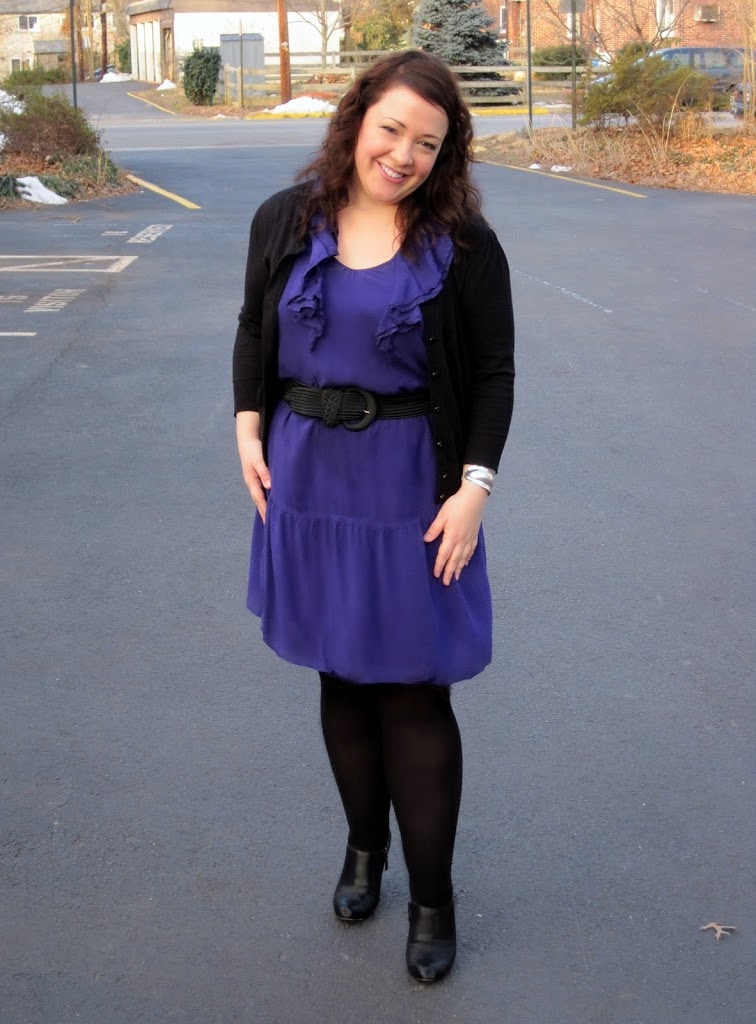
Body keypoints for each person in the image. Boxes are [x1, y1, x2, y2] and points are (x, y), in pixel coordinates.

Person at [233, 49, 515, 983]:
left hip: (409, 487)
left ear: (446, 153)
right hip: (309, 479)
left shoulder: (463, 245)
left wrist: (474, 488)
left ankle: (433, 899)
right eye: (391, 130)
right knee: (342, 675)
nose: (403, 155)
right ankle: (365, 850)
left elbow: (493, 372)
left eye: (427, 143)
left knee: (414, 690)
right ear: (356, 121)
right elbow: (253, 325)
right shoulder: (285, 219)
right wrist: (246, 422)